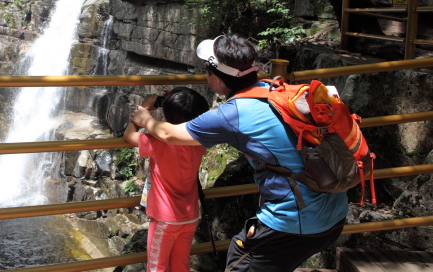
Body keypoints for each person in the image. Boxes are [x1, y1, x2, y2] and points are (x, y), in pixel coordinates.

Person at [130, 34, 349, 272]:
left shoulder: (231, 115)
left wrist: (145, 118)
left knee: (240, 259)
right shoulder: (271, 88)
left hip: (295, 222)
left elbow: (168, 135)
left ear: (215, 78)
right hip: (335, 212)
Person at [124, 87, 210, 272]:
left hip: (165, 219)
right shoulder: (198, 140)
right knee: (181, 265)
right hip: (190, 216)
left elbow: (129, 136)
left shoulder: (158, 143)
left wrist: (144, 110)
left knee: (157, 268)